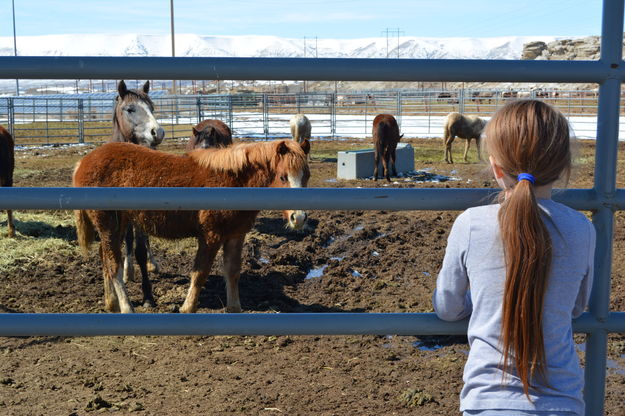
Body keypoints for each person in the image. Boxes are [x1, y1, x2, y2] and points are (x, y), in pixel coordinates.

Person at [433, 99, 596, 416]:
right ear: (563, 168)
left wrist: (478, 304)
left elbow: (448, 308)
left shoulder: (471, 224)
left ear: (495, 167)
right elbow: (577, 307)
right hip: (563, 403)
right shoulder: (582, 229)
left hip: (487, 403)